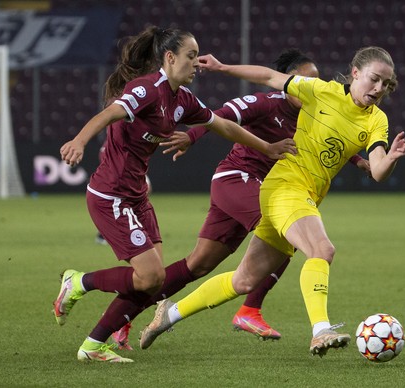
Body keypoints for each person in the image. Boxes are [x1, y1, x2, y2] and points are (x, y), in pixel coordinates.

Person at [139, 46, 405, 357]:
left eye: (386, 85)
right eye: (374, 80)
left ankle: (169, 314)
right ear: (354, 73)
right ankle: (320, 329)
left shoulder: (378, 120)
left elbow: (377, 171)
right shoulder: (320, 90)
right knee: (322, 250)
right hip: (284, 185)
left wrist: (391, 157)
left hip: (305, 196)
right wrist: (223, 67)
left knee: (244, 281)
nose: (378, 89)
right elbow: (270, 76)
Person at [52, 25, 296, 363]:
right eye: (191, 56)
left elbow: (222, 125)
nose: (197, 64)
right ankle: (79, 282)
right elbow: (110, 112)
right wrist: (79, 141)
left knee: (154, 281)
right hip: (111, 195)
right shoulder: (148, 90)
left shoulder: (181, 100)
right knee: (150, 276)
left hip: (137, 196)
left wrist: (266, 147)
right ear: (170, 57)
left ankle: (94, 345)